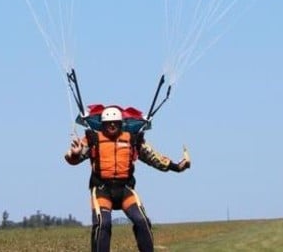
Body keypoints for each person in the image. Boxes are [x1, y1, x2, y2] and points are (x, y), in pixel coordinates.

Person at [65, 106, 190, 252]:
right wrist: (74, 154)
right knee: (103, 224)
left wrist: (177, 167)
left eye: (115, 122)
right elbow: (72, 159)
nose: (112, 125)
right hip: (101, 190)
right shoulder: (92, 139)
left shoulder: (132, 140)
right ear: (103, 124)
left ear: (121, 123)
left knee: (141, 221)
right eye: (109, 122)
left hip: (125, 190)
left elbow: (153, 158)